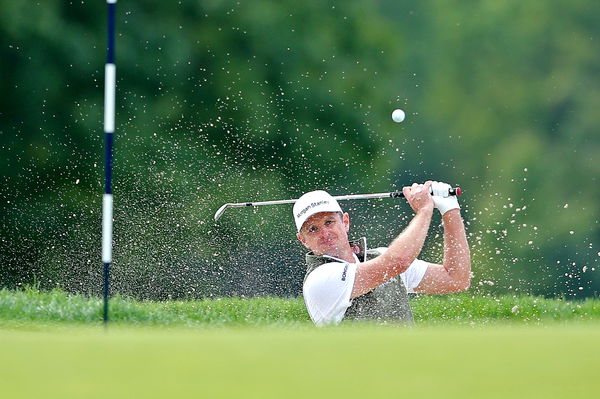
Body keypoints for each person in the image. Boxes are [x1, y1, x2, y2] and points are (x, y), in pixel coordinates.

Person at [294, 181, 471, 326]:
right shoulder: (319, 279)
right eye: (313, 229)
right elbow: (398, 262)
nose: (324, 233)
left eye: (329, 222)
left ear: (345, 222)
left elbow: (455, 279)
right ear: (303, 240)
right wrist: (424, 210)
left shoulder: (379, 256)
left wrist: (449, 210)